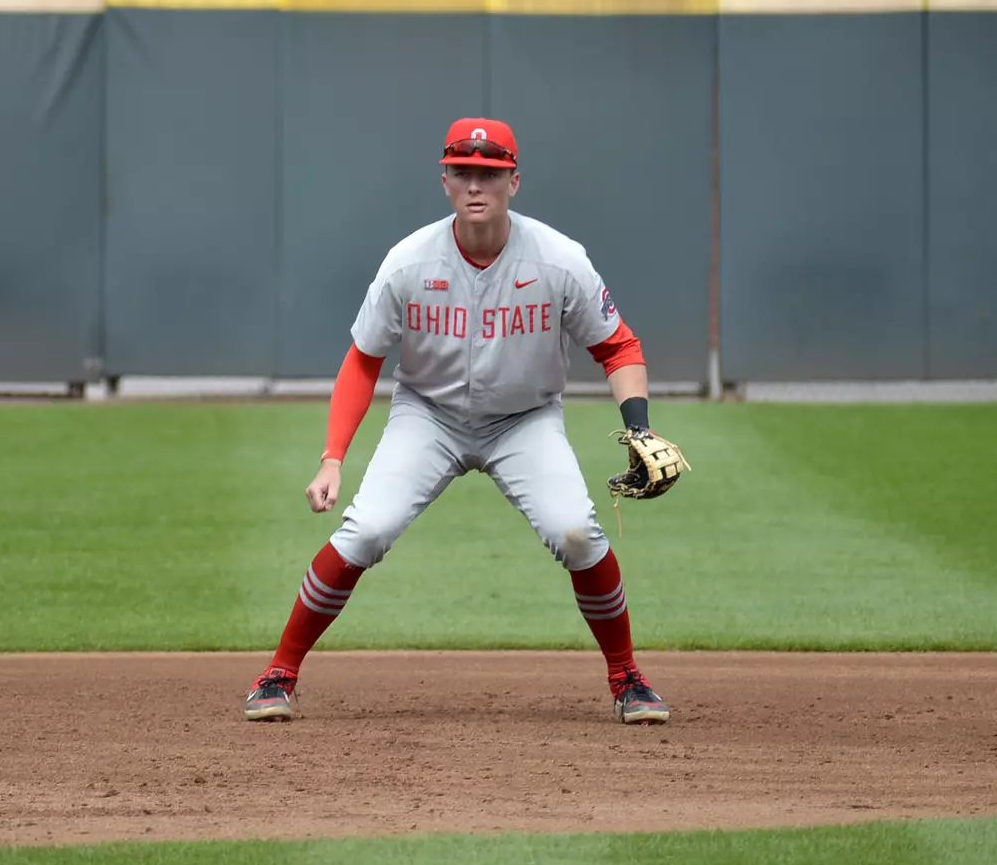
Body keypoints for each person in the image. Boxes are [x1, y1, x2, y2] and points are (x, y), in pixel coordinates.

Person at [245, 117, 688, 725]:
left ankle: (628, 679)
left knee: (577, 534)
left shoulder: (559, 260)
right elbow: (363, 360)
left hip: (525, 419)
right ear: (445, 180)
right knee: (366, 531)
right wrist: (332, 457)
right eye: (463, 172)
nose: (476, 185)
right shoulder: (408, 262)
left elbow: (618, 347)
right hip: (428, 416)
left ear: (514, 181)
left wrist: (638, 426)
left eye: (490, 173)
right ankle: (278, 673)